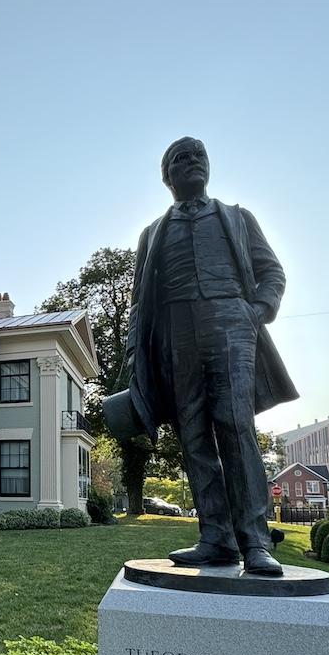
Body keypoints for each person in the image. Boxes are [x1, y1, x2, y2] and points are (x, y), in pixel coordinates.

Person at [104, 136, 298, 576]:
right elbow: (138, 301)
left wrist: (256, 311)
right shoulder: (152, 233)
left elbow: (271, 272)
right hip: (174, 334)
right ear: (166, 176)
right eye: (180, 159)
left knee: (234, 424)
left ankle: (255, 541)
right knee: (192, 434)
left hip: (230, 321)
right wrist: (136, 354)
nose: (191, 163)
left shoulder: (238, 218)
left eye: (198, 157)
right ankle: (216, 538)